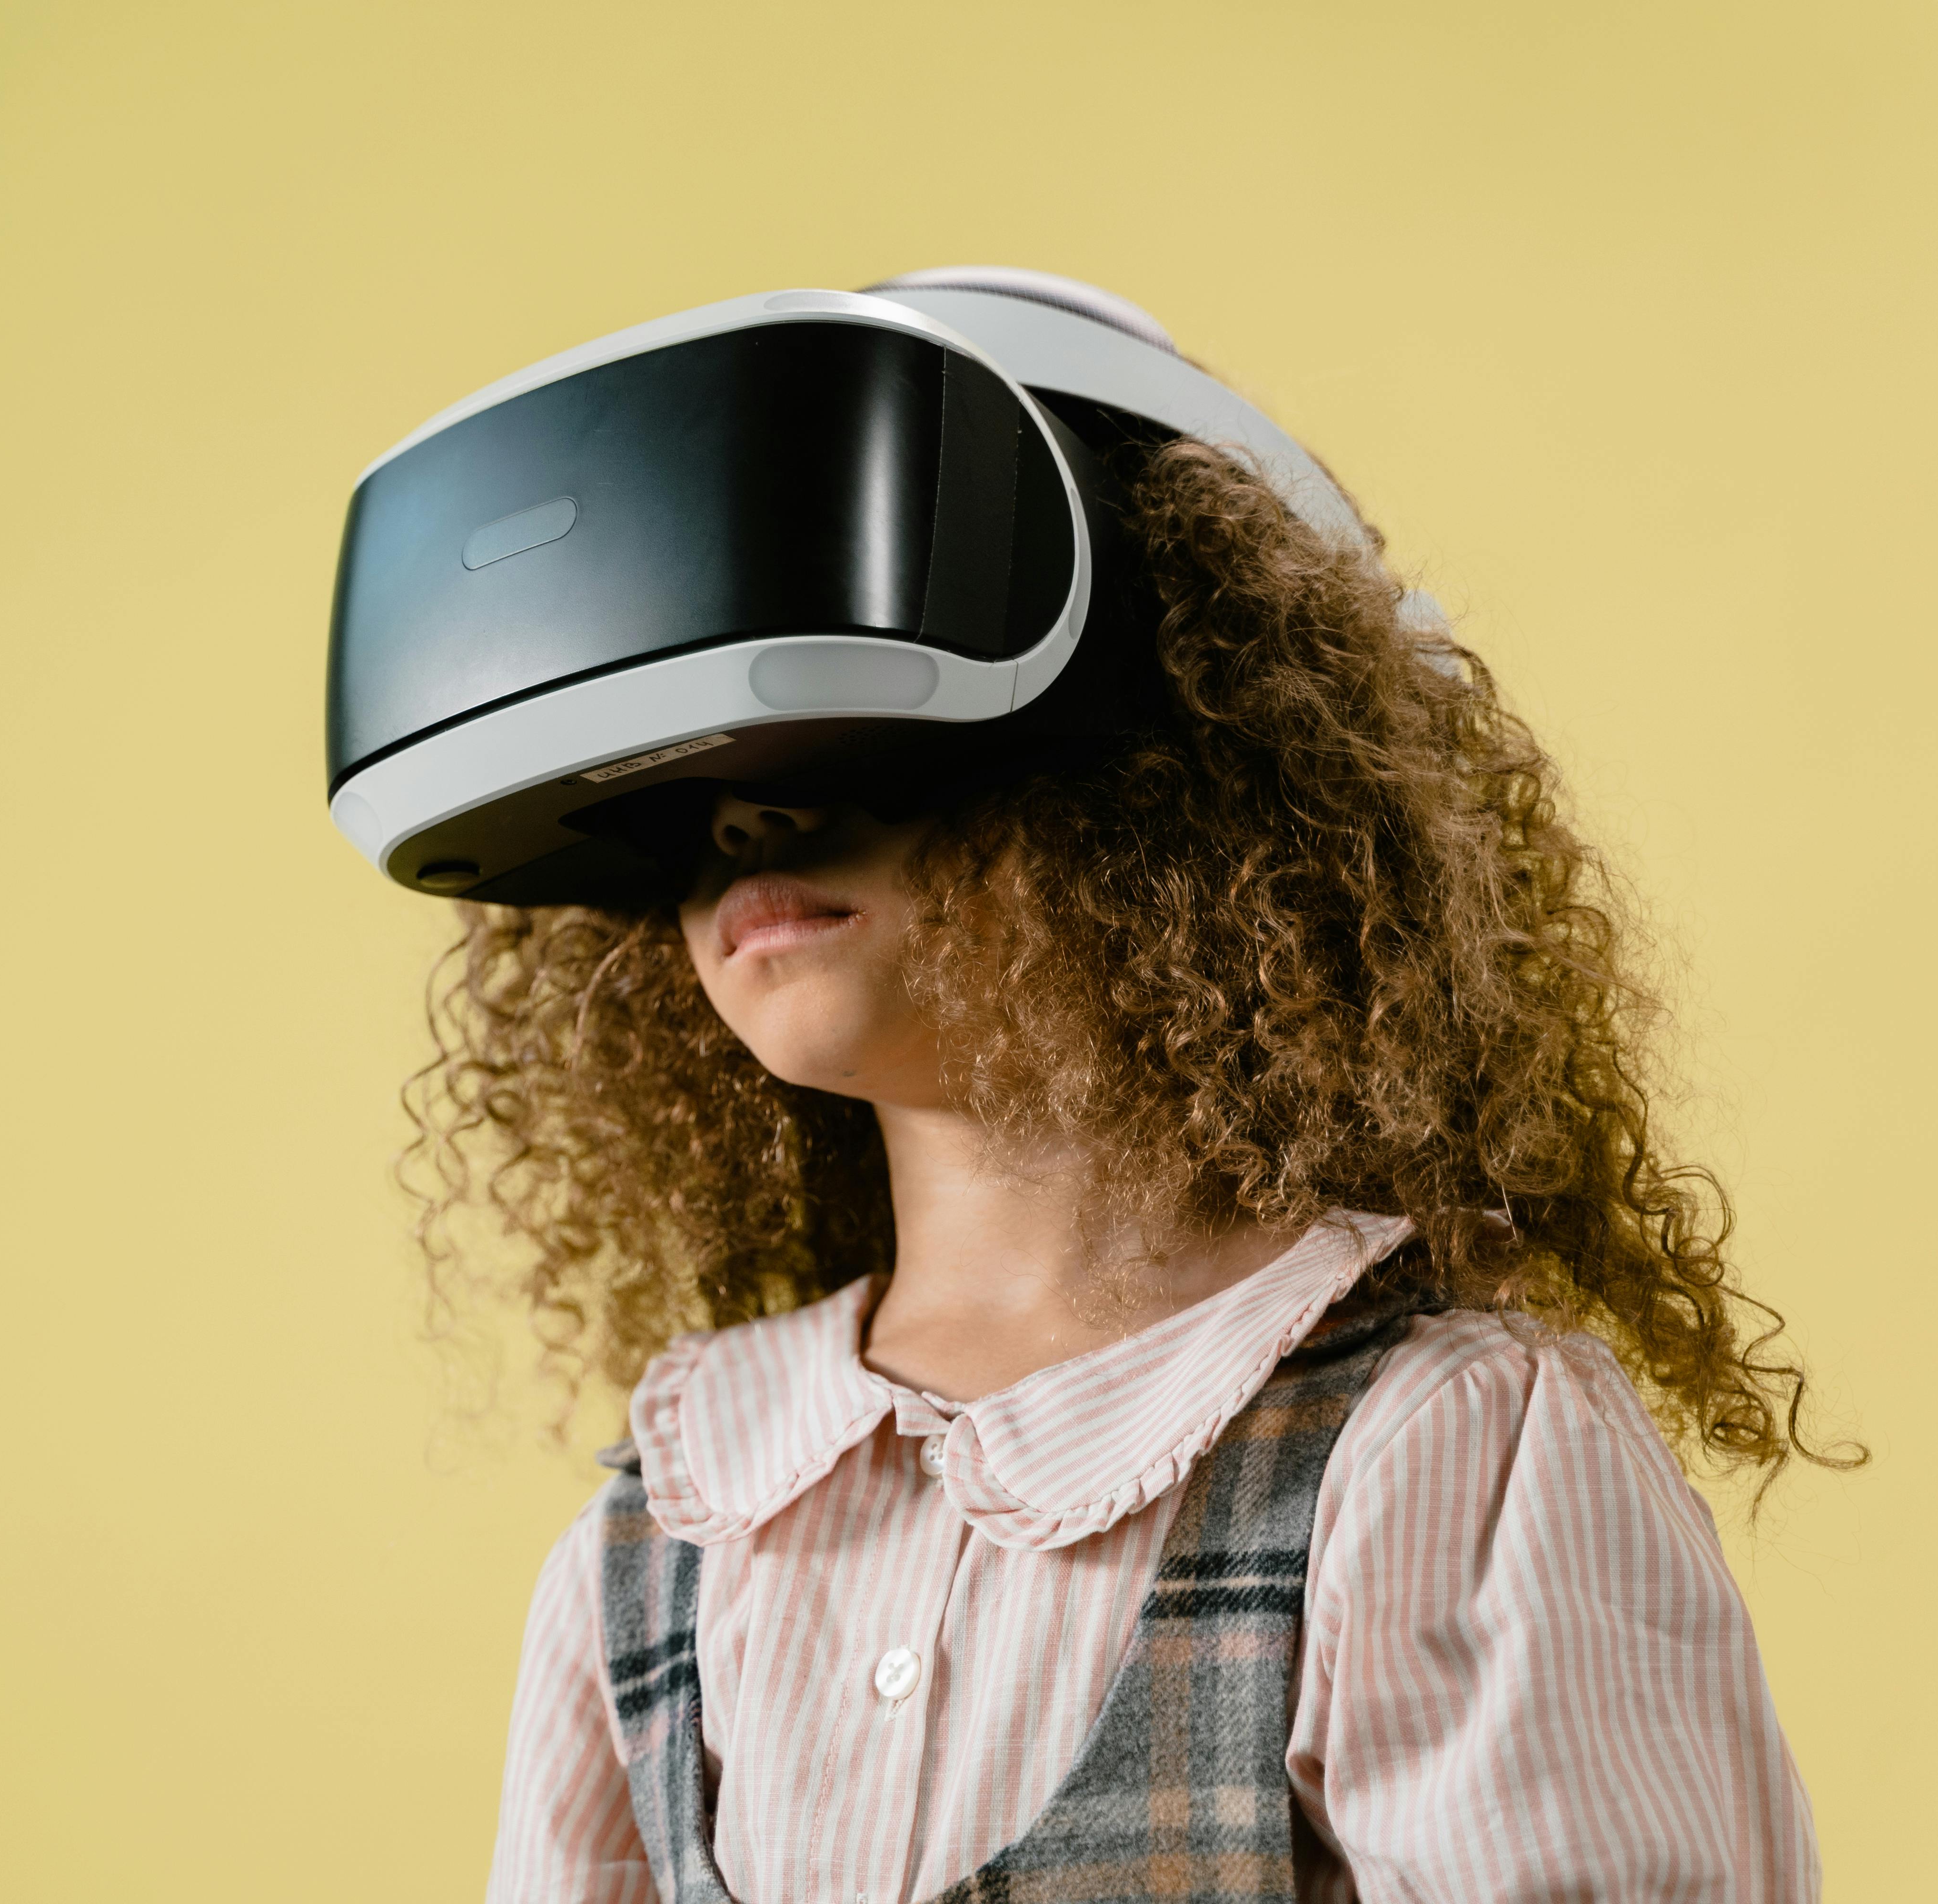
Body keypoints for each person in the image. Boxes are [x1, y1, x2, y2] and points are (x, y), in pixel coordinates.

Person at [399, 280, 1848, 1904]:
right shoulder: (667, 1534)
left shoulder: (1433, 1454)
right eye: (679, 787)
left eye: (847, 730)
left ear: (1172, 776)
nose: (744, 820)